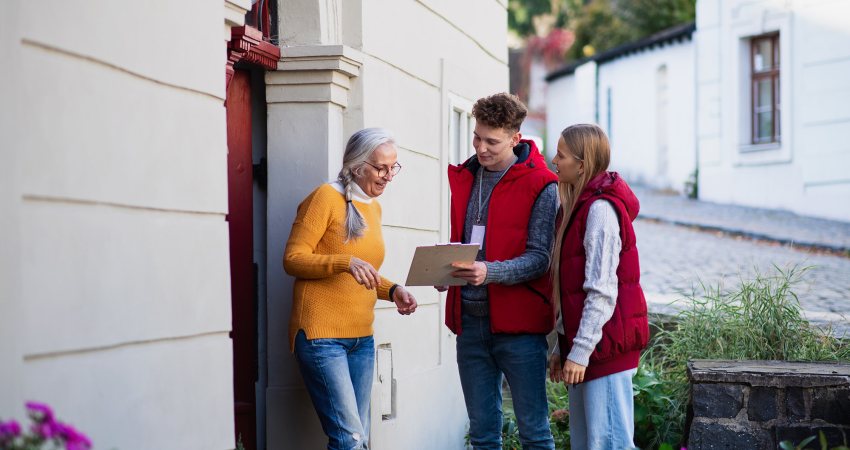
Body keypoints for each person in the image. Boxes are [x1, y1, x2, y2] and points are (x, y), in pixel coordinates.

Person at [283, 128, 418, 450]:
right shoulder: (325, 197)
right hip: (321, 337)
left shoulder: (372, 206)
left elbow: (364, 271)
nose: (388, 176)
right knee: (349, 438)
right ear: (357, 165)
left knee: (359, 438)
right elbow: (292, 259)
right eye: (381, 167)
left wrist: (393, 289)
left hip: (362, 339)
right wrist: (344, 262)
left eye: (393, 168)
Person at [442, 93, 559, 450]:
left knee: (535, 434)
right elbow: (464, 242)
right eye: (477, 137)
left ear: (515, 139)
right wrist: (445, 272)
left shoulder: (542, 184)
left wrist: (488, 272)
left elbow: (540, 258)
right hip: (471, 325)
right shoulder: (467, 176)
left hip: (519, 329)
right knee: (482, 436)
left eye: (492, 141)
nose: (481, 148)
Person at [548, 123, 649, 450]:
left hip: (602, 351)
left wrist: (578, 352)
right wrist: (561, 346)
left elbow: (602, 292)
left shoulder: (600, 211)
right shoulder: (577, 208)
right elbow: (571, 289)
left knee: (608, 445)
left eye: (561, 155)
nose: (553, 160)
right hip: (588, 348)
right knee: (588, 443)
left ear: (582, 163)